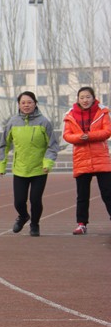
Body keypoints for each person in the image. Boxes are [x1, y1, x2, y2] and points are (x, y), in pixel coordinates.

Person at [0, 91, 59, 237]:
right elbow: (4, 145)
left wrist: (48, 162)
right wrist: (2, 165)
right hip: (20, 169)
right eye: (23, 102)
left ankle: (35, 224)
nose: (26, 105)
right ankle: (23, 216)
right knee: (19, 202)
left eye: (29, 102)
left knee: (35, 200)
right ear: (19, 105)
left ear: (35, 103)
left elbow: (52, 145)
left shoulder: (44, 122)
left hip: (39, 169)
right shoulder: (12, 122)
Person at [62, 86, 111, 235]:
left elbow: (107, 131)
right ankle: (81, 224)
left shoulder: (102, 112)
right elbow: (67, 135)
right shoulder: (70, 115)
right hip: (81, 159)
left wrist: (89, 136)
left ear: (93, 98)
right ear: (78, 99)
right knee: (82, 195)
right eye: (82, 97)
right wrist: (79, 137)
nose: (85, 100)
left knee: (108, 192)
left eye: (88, 97)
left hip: (101, 158)